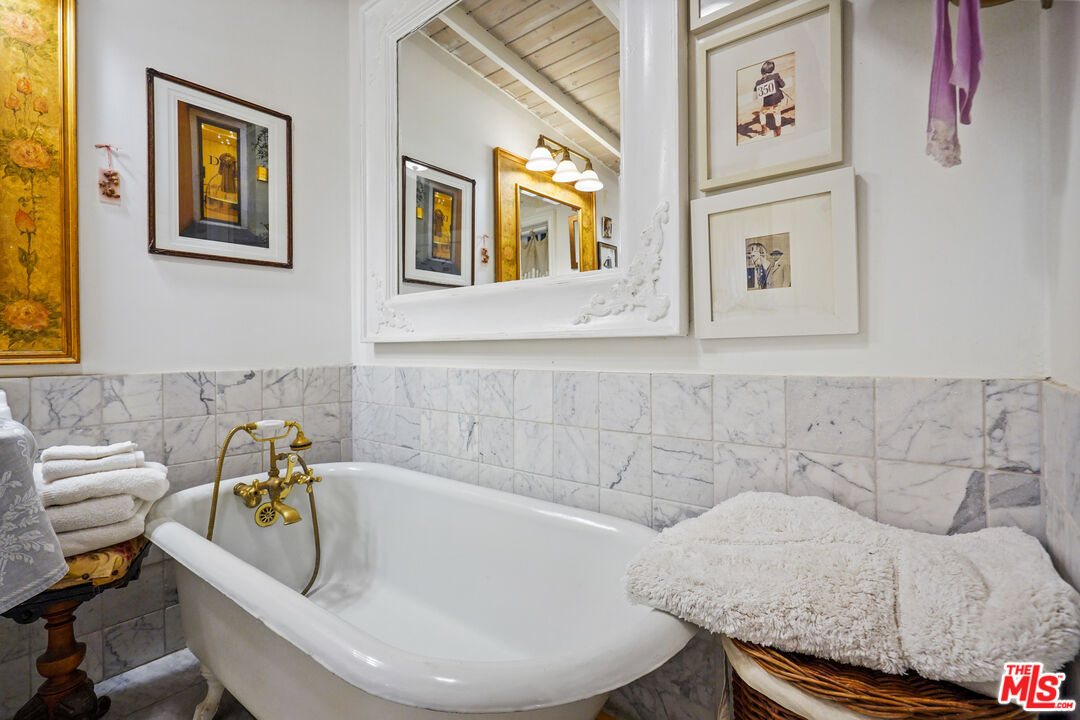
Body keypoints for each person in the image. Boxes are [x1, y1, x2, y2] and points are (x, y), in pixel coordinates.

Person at [754, 60, 787, 138]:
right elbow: (783, 85)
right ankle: (778, 130)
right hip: (777, 99)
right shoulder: (776, 76)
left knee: (762, 113)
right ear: (772, 70)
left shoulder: (758, 82)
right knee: (777, 113)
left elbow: (756, 92)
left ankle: (764, 129)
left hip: (767, 102)